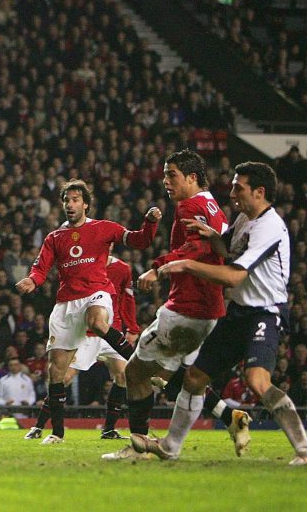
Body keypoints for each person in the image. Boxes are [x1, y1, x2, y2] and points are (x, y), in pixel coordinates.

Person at [132, 162, 307, 466]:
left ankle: (303, 448)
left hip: (265, 314)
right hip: (238, 313)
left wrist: (185, 264)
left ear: (260, 191)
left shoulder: (269, 227)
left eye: (240, 187)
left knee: (257, 380)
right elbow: (227, 250)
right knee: (194, 377)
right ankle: (170, 446)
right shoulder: (244, 218)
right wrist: (212, 234)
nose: (233, 192)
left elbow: (233, 276)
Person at [104, 149, 233, 461]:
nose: (165, 181)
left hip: (186, 308)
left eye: (171, 175)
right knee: (182, 379)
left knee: (135, 372)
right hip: (207, 308)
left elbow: (197, 247)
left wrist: (158, 266)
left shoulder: (192, 205)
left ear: (191, 177)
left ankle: (142, 445)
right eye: (164, 175)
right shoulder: (212, 205)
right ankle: (228, 417)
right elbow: (218, 245)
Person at [16, 179, 161, 444]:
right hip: (66, 305)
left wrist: (150, 222)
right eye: (66, 201)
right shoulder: (54, 238)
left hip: (96, 294)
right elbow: (41, 268)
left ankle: (142, 365)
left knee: (98, 322)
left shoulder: (104, 228)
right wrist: (32, 281)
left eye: (74, 200)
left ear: (85, 204)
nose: (70, 205)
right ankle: (57, 433)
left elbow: (141, 240)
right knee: (56, 371)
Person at [26, 252, 138, 441]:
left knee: (123, 375)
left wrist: (133, 327)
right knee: (64, 377)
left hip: (112, 330)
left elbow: (127, 299)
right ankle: (38, 426)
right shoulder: (83, 264)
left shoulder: (123, 269)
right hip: (85, 333)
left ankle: (109, 429)